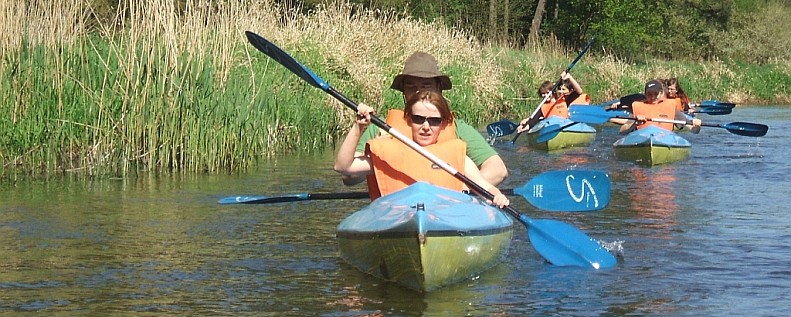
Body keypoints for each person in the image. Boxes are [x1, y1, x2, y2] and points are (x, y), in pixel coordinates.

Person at [342, 52, 508, 186]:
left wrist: (459, 190)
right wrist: (377, 152)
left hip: (447, 203)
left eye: (426, 86)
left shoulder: (458, 128)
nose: (418, 93)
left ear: (439, 89)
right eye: (411, 87)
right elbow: (349, 178)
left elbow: (497, 170)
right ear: (403, 92)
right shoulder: (380, 127)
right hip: (397, 208)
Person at [334, 90, 510, 207]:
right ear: (409, 120)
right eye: (419, 119)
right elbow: (343, 167)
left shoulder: (458, 158)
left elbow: (487, 189)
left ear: (443, 124)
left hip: (443, 220)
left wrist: (497, 196)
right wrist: (358, 127)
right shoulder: (388, 155)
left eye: (434, 121)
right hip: (397, 221)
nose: (426, 126)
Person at [613, 79, 702, 134]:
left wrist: (696, 126)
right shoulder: (639, 107)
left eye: (655, 94)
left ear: (661, 94)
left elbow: (693, 130)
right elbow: (622, 131)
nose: (652, 97)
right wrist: (635, 123)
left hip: (665, 138)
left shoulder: (670, 107)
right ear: (645, 94)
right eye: (649, 94)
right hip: (643, 139)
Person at [516, 72, 590, 133]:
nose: (545, 95)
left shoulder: (563, 99)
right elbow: (533, 121)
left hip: (565, 127)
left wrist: (569, 77)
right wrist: (523, 129)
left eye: (546, 93)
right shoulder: (542, 106)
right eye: (543, 93)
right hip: (551, 129)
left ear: (552, 92)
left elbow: (579, 91)